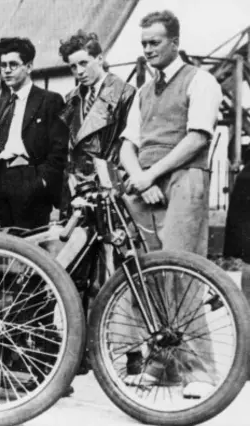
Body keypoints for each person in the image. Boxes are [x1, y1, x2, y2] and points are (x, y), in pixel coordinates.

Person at [120, 10, 223, 399]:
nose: (147, 50)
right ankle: (163, 365)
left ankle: (199, 370)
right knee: (149, 278)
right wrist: (139, 177)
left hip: (183, 181)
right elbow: (128, 144)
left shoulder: (201, 80)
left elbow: (198, 137)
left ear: (174, 42)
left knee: (181, 273)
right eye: (143, 43)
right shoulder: (144, 91)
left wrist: (153, 173)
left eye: (154, 42)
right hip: (145, 187)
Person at [0, 37, 68, 229]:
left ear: (28, 67)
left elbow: (59, 150)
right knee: (3, 249)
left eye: (13, 65)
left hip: (29, 183)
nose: (7, 70)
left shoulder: (49, 100)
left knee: (29, 250)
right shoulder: (3, 104)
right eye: (3, 66)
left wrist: (41, 182)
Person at [58, 30, 136, 211]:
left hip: (110, 188)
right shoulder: (71, 98)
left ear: (100, 59)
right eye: (73, 67)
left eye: (84, 63)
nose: (79, 72)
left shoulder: (125, 93)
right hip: (76, 189)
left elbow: (129, 145)